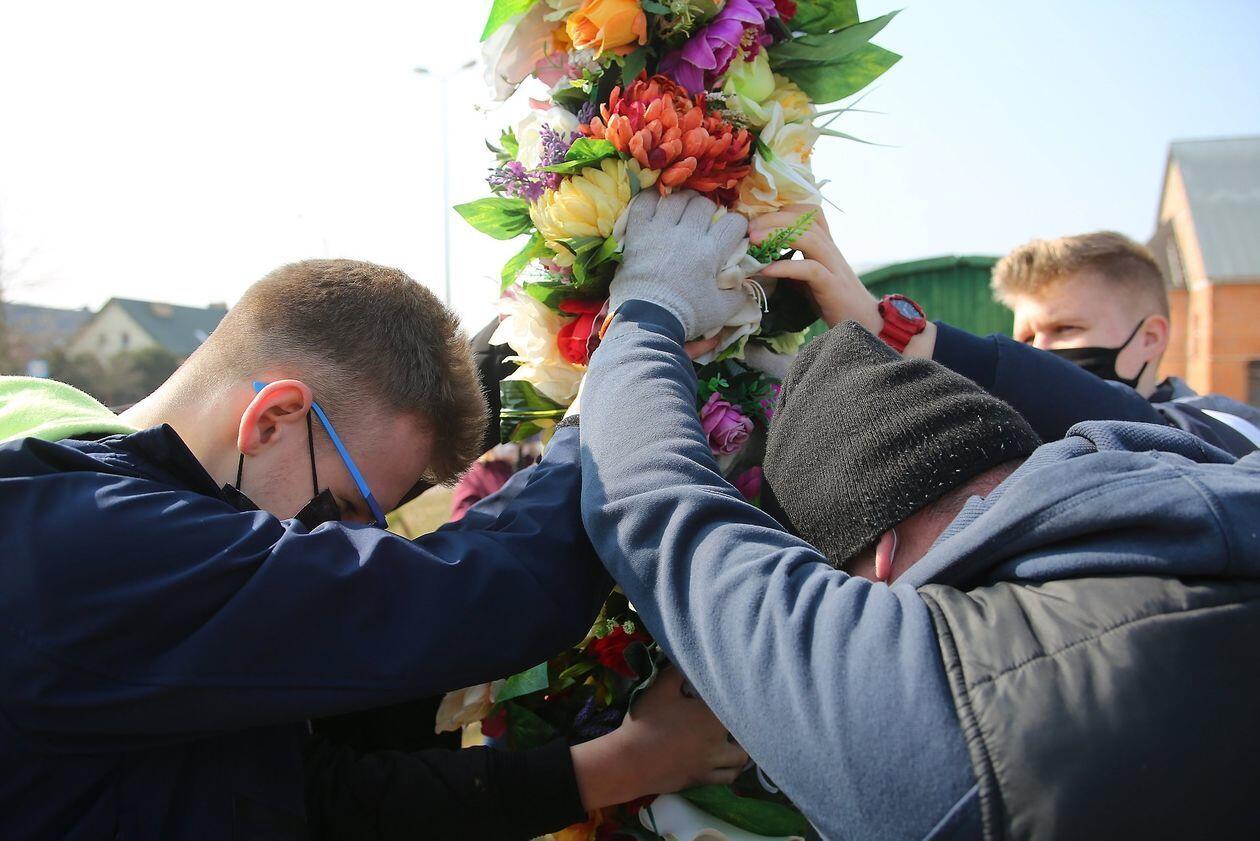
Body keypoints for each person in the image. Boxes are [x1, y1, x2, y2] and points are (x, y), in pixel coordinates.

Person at [578, 191, 1260, 839]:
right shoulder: (1223, 478)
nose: (1041, 345)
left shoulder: (927, 705)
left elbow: (658, 512)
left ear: (878, 563)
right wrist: (892, 331)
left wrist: (649, 305)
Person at [0, 258, 739, 839]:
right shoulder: (80, 547)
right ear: (271, 420)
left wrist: (621, 764)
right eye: (344, 510)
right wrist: (628, 360)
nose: (351, 543)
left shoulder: (73, 491)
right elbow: (483, 595)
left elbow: (301, 796)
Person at [752, 213, 1257, 455]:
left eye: (1065, 328)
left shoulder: (1224, 425)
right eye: (1027, 339)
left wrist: (895, 331)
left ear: (1150, 338)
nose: (1041, 350)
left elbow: (1151, 433)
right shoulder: (1006, 437)